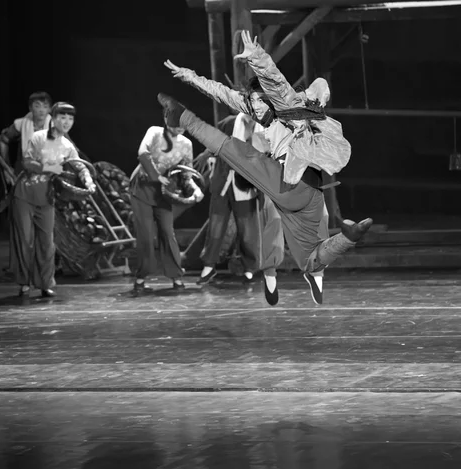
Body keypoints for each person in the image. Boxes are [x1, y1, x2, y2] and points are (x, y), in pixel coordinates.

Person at [158, 34, 372, 304]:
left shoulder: (285, 103)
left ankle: (182, 115)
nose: (256, 107)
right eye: (252, 103)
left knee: (235, 152)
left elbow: (276, 79)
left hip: (295, 183)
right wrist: (189, 75)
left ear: (268, 98)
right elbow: (220, 92)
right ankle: (343, 241)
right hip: (288, 187)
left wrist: (255, 54)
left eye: (260, 101)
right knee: (307, 253)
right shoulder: (251, 107)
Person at [196, 112, 284, 305]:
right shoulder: (229, 123)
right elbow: (213, 141)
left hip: (245, 186)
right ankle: (209, 266)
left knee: (248, 230)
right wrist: (205, 154)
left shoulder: (265, 130)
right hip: (223, 182)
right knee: (216, 226)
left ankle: (249, 268)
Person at [9, 102, 95, 297]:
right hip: (25, 194)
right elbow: (27, 162)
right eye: (62, 117)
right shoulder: (39, 137)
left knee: (47, 242)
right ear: (53, 119)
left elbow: (79, 166)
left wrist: (89, 181)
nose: (66, 122)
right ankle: (24, 282)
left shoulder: (67, 146)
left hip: (47, 197)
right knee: (25, 240)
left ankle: (45, 283)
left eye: (70, 118)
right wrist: (50, 168)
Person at [129, 111, 204, 294]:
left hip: (164, 193)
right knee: (146, 236)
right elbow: (142, 153)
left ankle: (176, 275)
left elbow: (186, 173)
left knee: (167, 232)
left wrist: (195, 189)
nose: (179, 127)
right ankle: (141, 277)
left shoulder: (186, 144)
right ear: (165, 119)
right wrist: (156, 177)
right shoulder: (155, 132)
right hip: (142, 189)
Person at [0, 91, 53, 174]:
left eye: (45, 106)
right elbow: (3, 140)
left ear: (49, 109)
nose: (41, 110)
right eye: (37, 106)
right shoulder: (21, 124)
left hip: (47, 172)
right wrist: (6, 166)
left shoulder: (55, 126)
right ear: (30, 108)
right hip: (24, 172)